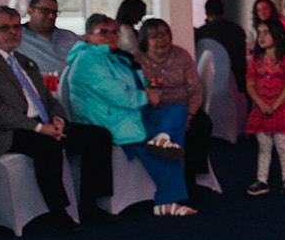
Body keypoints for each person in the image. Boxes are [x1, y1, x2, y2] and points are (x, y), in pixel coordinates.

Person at [0, 6, 114, 232]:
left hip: (39, 124)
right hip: (2, 132)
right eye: (5, 28)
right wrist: (39, 127)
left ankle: (90, 204)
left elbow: (48, 100)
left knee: (98, 136)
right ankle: (59, 213)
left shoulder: (24, 61)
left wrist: (58, 120)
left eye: (16, 27)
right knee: (47, 145)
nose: (13, 32)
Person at [64, 16, 196, 217]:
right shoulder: (86, 60)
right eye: (103, 32)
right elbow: (118, 94)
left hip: (132, 111)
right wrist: (147, 96)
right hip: (109, 120)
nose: (111, 36)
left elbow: (135, 85)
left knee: (177, 110)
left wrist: (149, 90)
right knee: (160, 147)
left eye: (114, 32)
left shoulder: (115, 57)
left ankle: (164, 139)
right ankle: (168, 199)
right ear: (88, 36)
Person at [137, 17, 214, 198]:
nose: (161, 40)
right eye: (154, 36)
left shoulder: (181, 55)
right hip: (155, 111)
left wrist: (189, 115)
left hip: (184, 107)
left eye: (165, 34)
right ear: (145, 40)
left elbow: (196, 90)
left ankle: (190, 179)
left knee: (202, 124)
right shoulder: (136, 60)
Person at [245, 20, 285, 196]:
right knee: (264, 146)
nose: (261, 37)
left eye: (266, 32)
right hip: (261, 110)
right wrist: (260, 103)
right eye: (259, 33)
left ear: (278, 35)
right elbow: (250, 84)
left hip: (280, 110)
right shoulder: (256, 61)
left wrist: (274, 105)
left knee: (282, 145)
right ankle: (262, 180)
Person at [16, 0, 79, 76]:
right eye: (45, 11)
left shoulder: (69, 37)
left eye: (54, 12)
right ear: (30, 11)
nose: (51, 16)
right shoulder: (17, 36)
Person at [195, 0, 249, 93]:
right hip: (237, 80)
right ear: (223, 10)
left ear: (206, 12)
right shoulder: (237, 30)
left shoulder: (201, 32)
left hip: (213, 83)